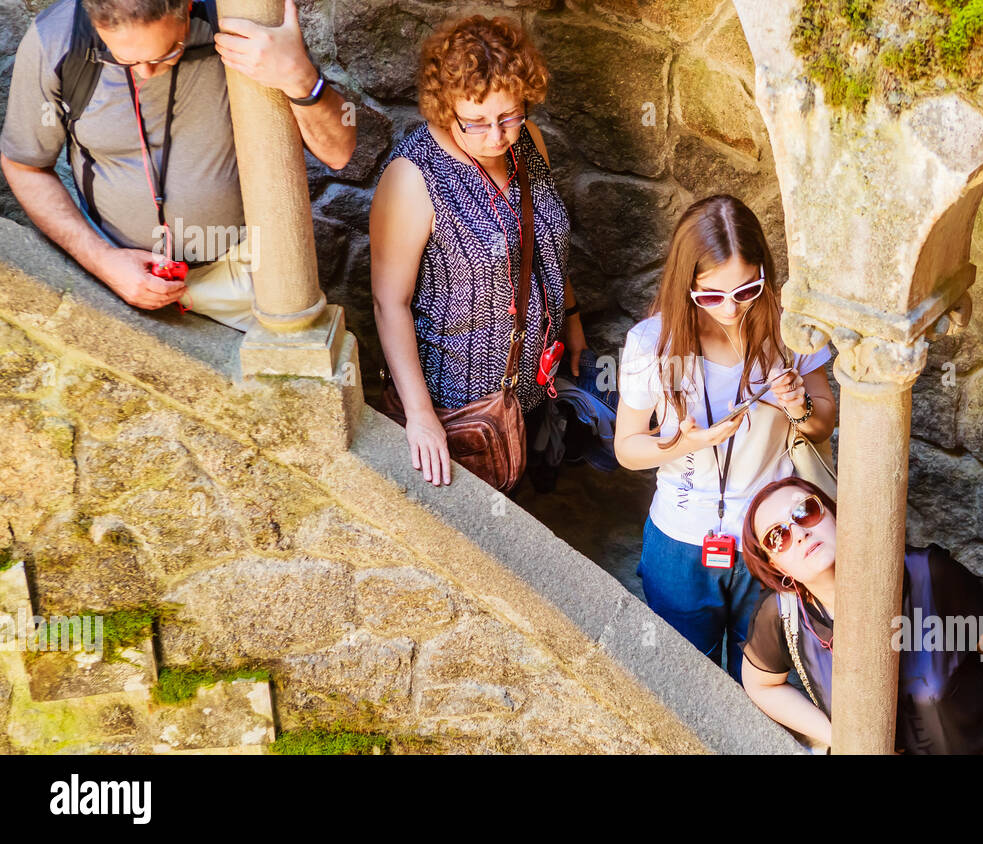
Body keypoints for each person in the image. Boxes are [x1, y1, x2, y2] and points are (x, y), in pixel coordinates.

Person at [0, 0, 356, 331]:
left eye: (165, 54)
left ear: (186, 7)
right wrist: (104, 260)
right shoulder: (56, 39)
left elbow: (339, 153)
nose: (145, 74)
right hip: (111, 274)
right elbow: (25, 166)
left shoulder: (236, 20)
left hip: (238, 275)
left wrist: (301, 79)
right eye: (123, 61)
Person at [614, 195, 837, 682]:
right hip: (680, 540)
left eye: (747, 289)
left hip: (772, 539)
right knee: (681, 681)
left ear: (764, 273)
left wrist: (798, 404)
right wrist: (685, 444)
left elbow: (824, 425)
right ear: (685, 284)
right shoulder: (651, 343)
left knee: (759, 683)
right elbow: (627, 449)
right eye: (710, 295)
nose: (731, 308)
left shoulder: (788, 330)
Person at [370, 14, 586, 487]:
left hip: (531, 391)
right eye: (477, 122)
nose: (496, 136)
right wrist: (421, 416)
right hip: (460, 412)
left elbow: (544, 242)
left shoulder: (528, 143)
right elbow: (390, 304)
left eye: (509, 116)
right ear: (445, 107)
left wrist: (572, 321)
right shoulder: (414, 176)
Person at [739, 476, 983, 752]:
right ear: (776, 566)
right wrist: (838, 737)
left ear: (834, 514)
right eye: (778, 536)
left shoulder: (927, 574)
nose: (800, 533)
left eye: (806, 511)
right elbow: (761, 686)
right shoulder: (783, 616)